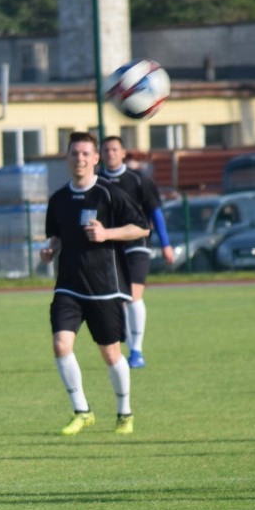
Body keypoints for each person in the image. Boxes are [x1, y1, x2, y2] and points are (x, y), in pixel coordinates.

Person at [40, 132, 150, 436]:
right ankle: (82, 410)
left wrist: (108, 234)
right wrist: (51, 250)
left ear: (95, 158)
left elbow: (141, 227)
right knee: (61, 345)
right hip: (68, 286)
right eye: (75, 153)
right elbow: (57, 236)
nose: (80, 159)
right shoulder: (59, 198)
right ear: (67, 157)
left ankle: (124, 412)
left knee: (111, 353)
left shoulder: (108, 193)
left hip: (106, 286)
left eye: (86, 154)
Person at [99, 136, 175, 368]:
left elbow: (156, 213)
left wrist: (166, 243)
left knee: (133, 296)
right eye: (106, 150)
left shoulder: (139, 180)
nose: (110, 153)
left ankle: (137, 351)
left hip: (138, 242)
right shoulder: (97, 182)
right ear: (100, 155)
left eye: (114, 149)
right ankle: (130, 350)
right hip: (111, 245)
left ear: (123, 153)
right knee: (119, 300)